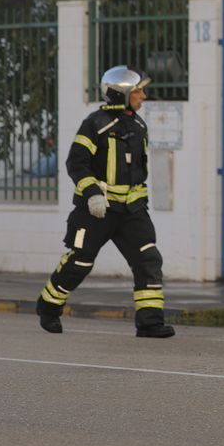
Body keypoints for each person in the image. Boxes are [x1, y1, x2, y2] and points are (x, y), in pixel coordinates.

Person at [35, 66, 174, 338]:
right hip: (97, 211)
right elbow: (76, 163)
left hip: (132, 212)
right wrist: (92, 194)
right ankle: (48, 306)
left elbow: (136, 172)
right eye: (138, 91)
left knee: (148, 260)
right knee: (80, 263)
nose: (144, 96)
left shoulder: (138, 125)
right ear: (121, 93)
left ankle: (150, 323)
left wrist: (141, 203)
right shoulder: (95, 124)